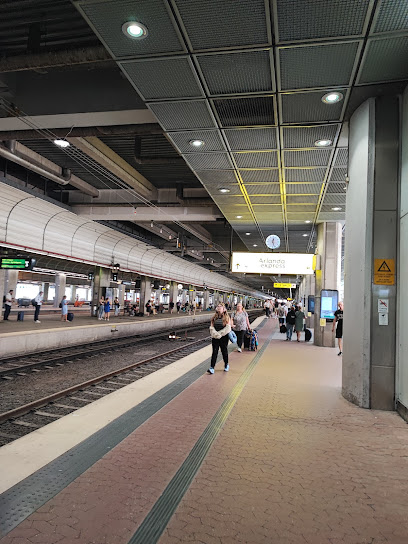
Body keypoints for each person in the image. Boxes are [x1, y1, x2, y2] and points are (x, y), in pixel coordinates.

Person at [207, 304, 231, 374]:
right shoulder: (214, 317)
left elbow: (228, 328)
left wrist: (220, 334)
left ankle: (226, 364)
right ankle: (212, 367)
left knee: (224, 351)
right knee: (214, 352)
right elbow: (211, 327)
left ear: (224, 309)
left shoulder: (227, 317)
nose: (219, 307)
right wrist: (216, 334)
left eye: (220, 306)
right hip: (215, 337)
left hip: (224, 337)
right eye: (218, 306)